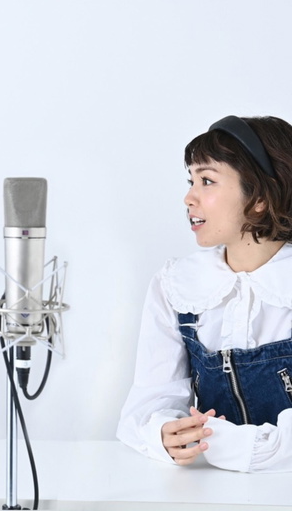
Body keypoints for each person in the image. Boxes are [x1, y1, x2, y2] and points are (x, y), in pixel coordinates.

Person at [117, 115, 292, 472]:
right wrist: (165, 434)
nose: (188, 197)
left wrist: (235, 446)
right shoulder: (176, 285)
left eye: (207, 181)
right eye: (191, 181)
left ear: (260, 197)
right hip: (211, 490)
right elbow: (149, 402)